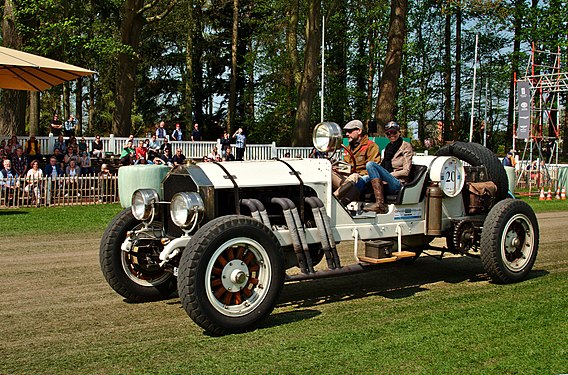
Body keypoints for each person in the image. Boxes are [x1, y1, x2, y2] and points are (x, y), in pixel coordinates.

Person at [357, 121, 414, 213]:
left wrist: (389, 175)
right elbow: (382, 165)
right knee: (362, 179)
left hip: (398, 183)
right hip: (386, 181)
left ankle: (380, 204)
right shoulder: (387, 148)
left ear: (399, 132)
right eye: (388, 133)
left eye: (394, 132)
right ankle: (345, 201)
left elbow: (406, 171)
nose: (392, 135)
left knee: (370, 164)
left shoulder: (406, 146)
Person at [333, 119, 381, 205]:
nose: (347, 134)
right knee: (327, 172)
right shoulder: (348, 148)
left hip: (361, 180)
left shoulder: (371, 146)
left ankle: (333, 200)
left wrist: (356, 173)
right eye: (346, 132)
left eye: (350, 131)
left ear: (359, 131)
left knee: (354, 176)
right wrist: (338, 168)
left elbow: (373, 169)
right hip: (347, 179)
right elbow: (346, 166)